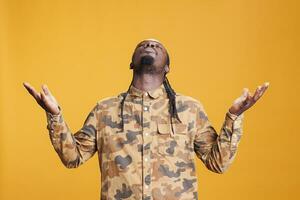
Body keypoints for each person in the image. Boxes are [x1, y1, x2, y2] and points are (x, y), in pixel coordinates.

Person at [23, 39, 269, 200]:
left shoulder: (189, 109)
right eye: (144, 44)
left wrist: (234, 116)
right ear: (131, 63)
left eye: (157, 46)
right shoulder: (104, 110)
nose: (150, 44)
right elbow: (72, 157)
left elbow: (218, 163)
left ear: (168, 67)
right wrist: (54, 115)